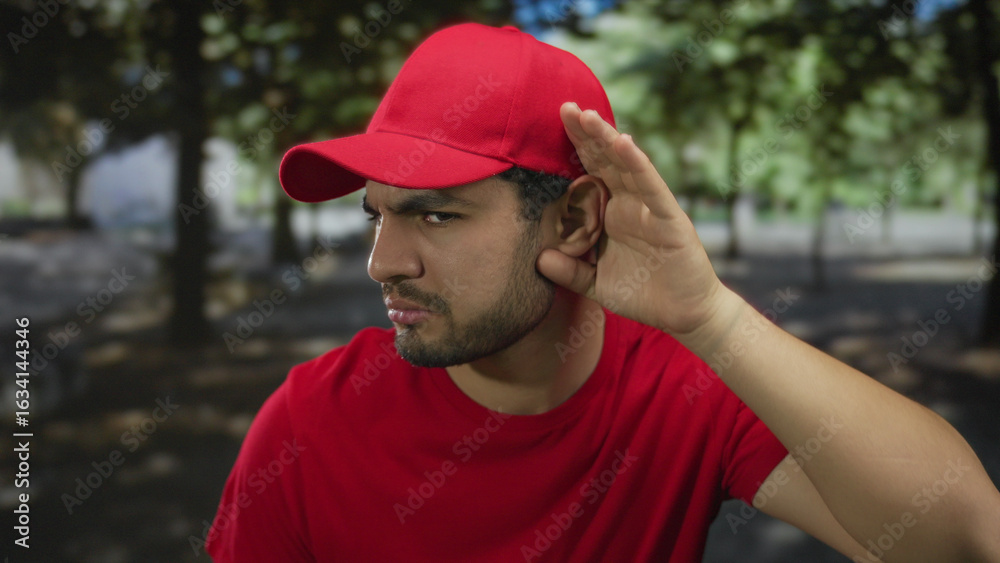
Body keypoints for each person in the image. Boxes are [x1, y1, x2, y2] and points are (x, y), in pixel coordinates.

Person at [204, 22, 1000, 563]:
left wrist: (711, 316)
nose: (383, 262)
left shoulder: (682, 387)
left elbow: (960, 537)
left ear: (576, 217)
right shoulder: (307, 422)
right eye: (376, 214)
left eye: (436, 214)